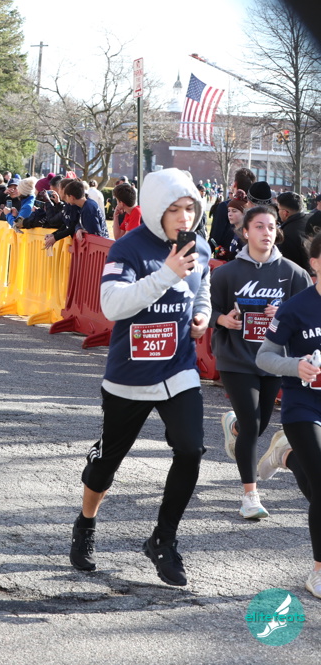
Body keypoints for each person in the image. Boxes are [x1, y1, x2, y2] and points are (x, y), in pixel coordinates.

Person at [69, 168, 211, 587]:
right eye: (174, 209)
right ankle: (86, 523)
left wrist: (201, 314)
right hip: (130, 375)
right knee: (106, 464)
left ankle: (163, 539)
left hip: (179, 369)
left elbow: (202, 286)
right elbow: (113, 306)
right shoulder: (127, 248)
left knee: (191, 449)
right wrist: (166, 273)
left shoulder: (199, 245)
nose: (184, 217)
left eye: (190, 208)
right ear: (154, 210)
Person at [212, 206, 312, 519]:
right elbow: (207, 309)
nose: (266, 232)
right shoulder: (226, 273)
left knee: (259, 424)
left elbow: (308, 316)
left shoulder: (294, 274)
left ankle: (234, 427)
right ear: (245, 232)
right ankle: (250, 496)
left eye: (271, 227)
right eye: (259, 226)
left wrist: (284, 315)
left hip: (274, 361)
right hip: (236, 358)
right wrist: (223, 319)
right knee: (254, 426)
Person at [255, 233, 321, 598]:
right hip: (302, 407)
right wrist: (296, 366)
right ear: (315, 263)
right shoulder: (296, 308)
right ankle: (318, 572)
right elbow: (264, 357)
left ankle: (287, 456)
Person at [276, 191, 311, 273]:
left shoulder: (286, 235)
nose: (278, 212)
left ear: (285, 213)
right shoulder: (313, 220)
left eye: (278, 209)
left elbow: (288, 267)